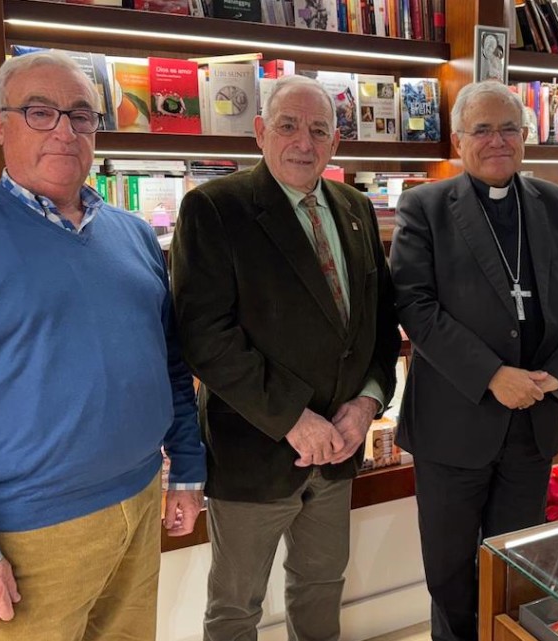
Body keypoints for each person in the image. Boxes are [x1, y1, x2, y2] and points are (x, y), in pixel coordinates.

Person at [0, 50, 206, 639]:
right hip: (30, 537)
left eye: (81, 115)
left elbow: (169, 366)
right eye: (39, 112)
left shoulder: (131, 234)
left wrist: (186, 467)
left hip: (139, 502)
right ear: (0, 125)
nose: (64, 129)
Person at [169, 74, 400, 641]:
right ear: (259, 133)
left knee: (321, 586)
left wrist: (367, 404)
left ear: (336, 142)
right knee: (235, 606)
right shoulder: (213, 209)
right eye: (288, 126)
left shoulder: (355, 208)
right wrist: (295, 420)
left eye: (319, 129)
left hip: (340, 449)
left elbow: (378, 325)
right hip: (255, 451)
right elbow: (205, 336)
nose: (304, 141)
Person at [389, 80, 558, 641]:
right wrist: (491, 376)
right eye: (482, 129)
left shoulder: (554, 204)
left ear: (526, 137)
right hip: (454, 424)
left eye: (509, 128)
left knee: (516, 567)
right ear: (459, 141)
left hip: (533, 421)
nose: (497, 140)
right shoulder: (424, 206)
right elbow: (414, 303)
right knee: (452, 574)